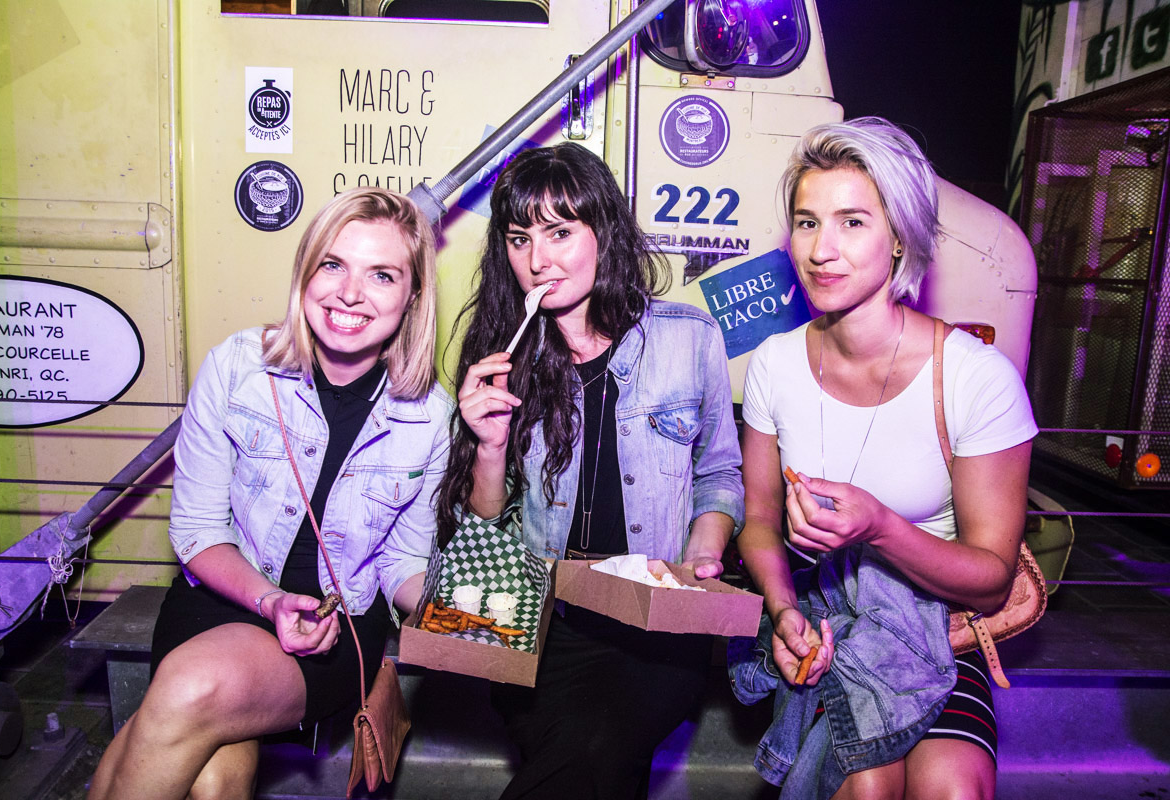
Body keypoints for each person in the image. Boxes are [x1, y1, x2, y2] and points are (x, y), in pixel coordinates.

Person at [88, 187, 452, 800]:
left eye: (382, 275)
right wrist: (270, 601)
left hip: (334, 629)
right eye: (332, 264)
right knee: (214, 780)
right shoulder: (238, 369)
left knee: (189, 689)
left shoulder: (430, 417)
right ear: (305, 271)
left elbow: (402, 563)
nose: (350, 293)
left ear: (413, 294)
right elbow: (198, 531)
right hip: (224, 597)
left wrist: (468, 614)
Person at [735, 116, 1037, 799]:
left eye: (852, 222)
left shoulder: (974, 378)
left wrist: (879, 527)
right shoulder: (775, 363)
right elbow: (757, 521)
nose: (822, 250)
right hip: (823, 624)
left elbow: (992, 581)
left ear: (899, 236)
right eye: (807, 223)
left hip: (935, 632)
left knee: (954, 792)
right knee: (864, 788)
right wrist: (782, 611)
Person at [435, 142, 744, 799]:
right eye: (519, 238)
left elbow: (719, 472)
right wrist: (487, 446)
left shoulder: (689, 339)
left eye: (559, 233)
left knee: (593, 747)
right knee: (594, 766)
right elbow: (481, 533)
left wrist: (701, 555)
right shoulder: (500, 357)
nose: (537, 260)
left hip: (654, 624)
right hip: (542, 619)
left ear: (603, 231)